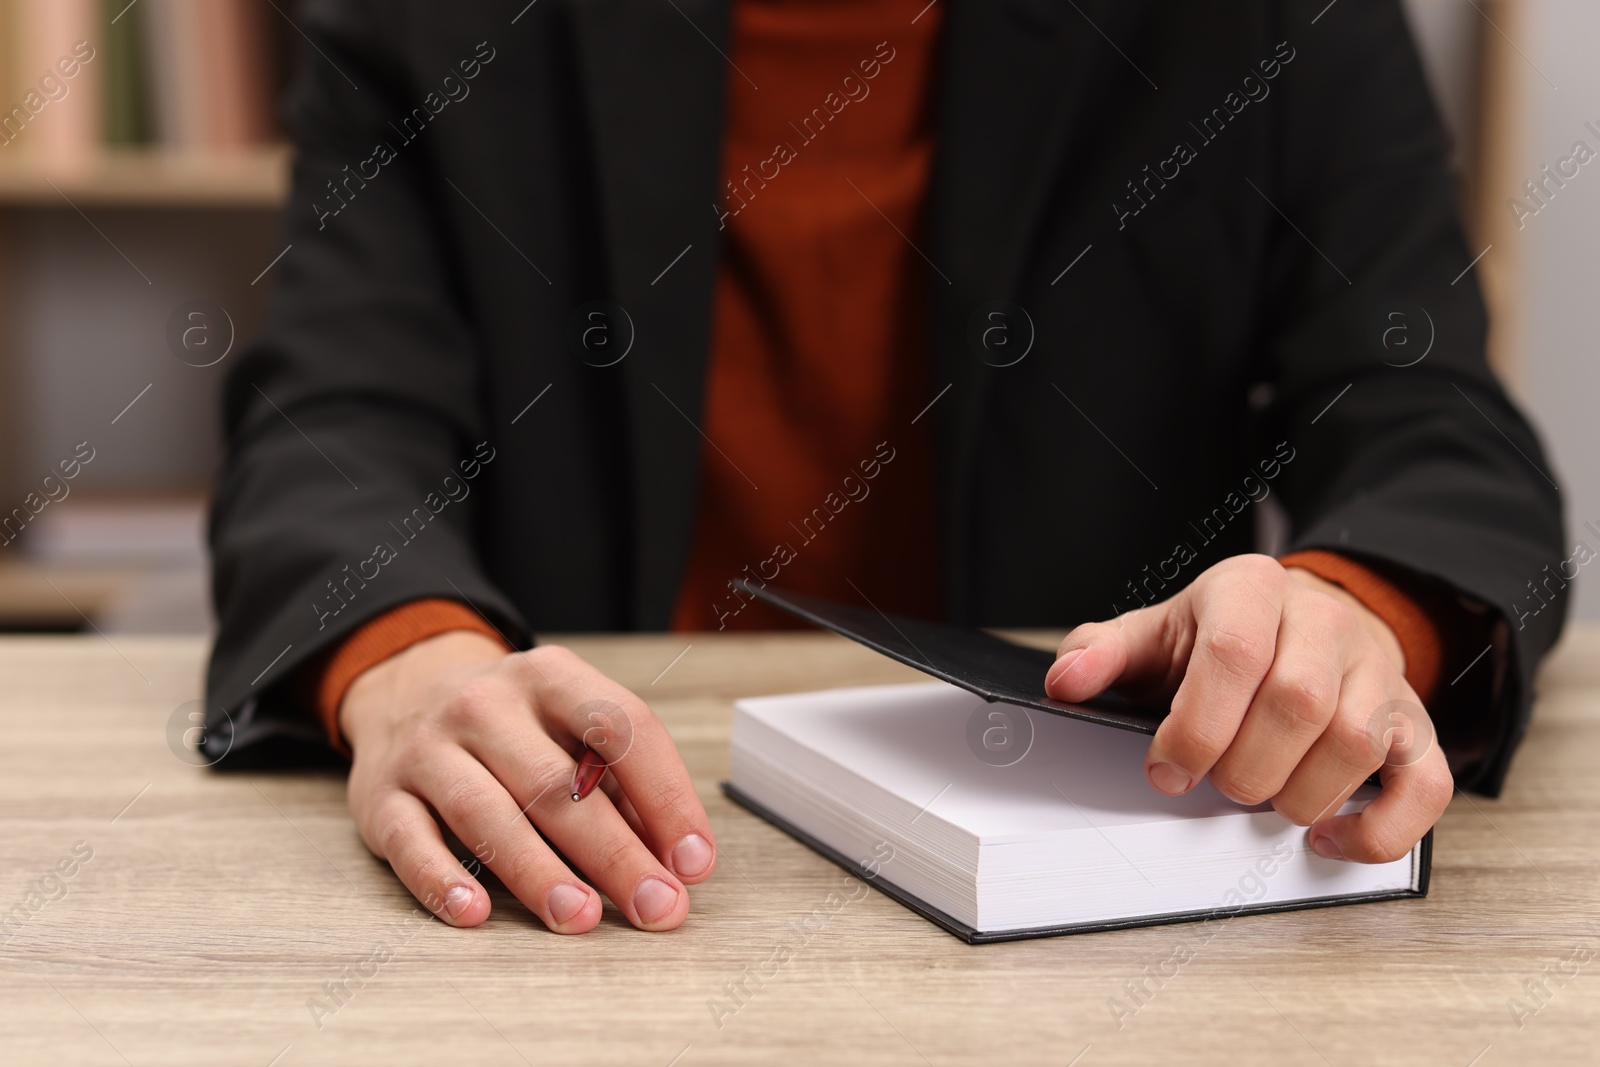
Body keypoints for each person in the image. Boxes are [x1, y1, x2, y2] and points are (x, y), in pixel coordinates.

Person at [205, 0, 1567, 935]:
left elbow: (1428, 409)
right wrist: (405, 656)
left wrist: (1348, 609)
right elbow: (335, 411)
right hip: (600, 833)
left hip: (1087, 861)